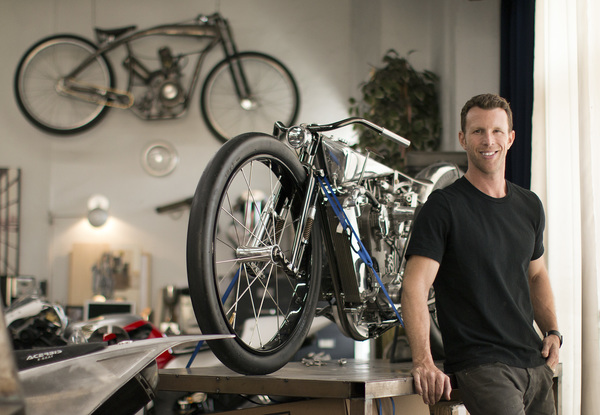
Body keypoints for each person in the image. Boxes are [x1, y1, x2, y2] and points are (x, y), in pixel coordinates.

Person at [400, 93, 561, 414]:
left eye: (497, 131)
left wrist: (553, 331)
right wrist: (424, 362)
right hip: (483, 364)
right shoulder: (443, 207)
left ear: (510, 138)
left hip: (533, 362)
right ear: (463, 139)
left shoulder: (529, 205)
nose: (488, 140)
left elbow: (537, 275)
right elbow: (414, 287)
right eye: (478, 131)